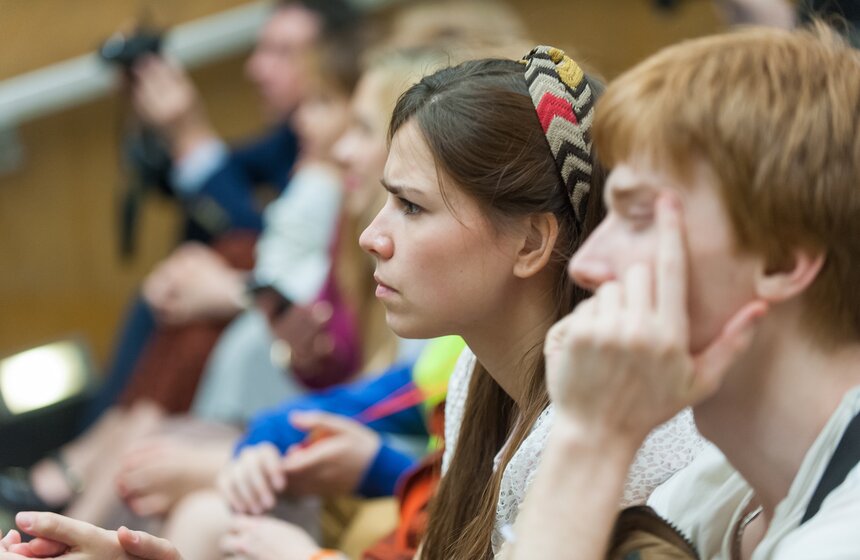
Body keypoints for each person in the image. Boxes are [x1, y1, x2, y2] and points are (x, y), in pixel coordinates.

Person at [506, 22, 860, 560]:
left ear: (782, 259)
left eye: (641, 216)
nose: (587, 265)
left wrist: (593, 439)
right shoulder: (725, 489)